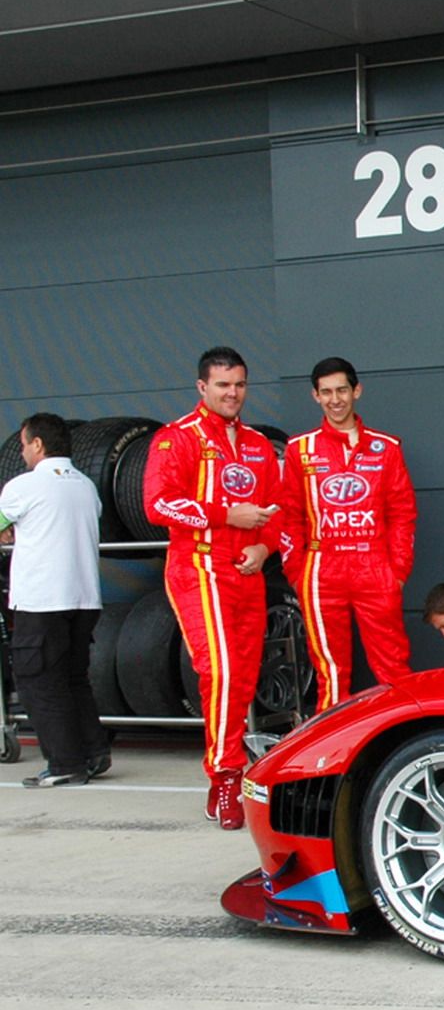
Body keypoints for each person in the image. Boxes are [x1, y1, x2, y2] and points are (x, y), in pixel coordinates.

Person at [144, 345, 283, 829]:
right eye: (223, 385)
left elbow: (277, 510)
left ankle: (224, 772)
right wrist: (225, 516)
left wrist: (264, 549)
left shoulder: (260, 446)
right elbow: (158, 505)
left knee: (242, 676)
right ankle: (226, 776)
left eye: (240, 384)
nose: (233, 393)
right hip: (198, 570)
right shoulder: (175, 439)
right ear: (203, 387)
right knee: (221, 670)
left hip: (247, 573)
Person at [277, 357, 417, 712]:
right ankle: (334, 762)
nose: (335, 399)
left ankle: (400, 748)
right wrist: (297, 571)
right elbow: (289, 515)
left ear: (357, 391)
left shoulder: (386, 447)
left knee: (393, 668)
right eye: (326, 392)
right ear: (315, 396)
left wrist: (397, 571)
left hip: (374, 564)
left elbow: (402, 513)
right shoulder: (300, 449)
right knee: (332, 673)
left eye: (341, 390)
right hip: (322, 567)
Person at [0, 415, 112, 787]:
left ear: (37, 445)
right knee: (73, 678)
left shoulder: (23, 486)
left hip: (41, 599)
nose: (22, 451)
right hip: (84, 599)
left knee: (39, 681)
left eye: (23, 444)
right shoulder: (85, 486)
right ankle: (94, 753)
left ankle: (64, 764)